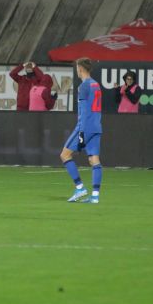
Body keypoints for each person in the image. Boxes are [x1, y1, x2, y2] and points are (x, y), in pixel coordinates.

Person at [60, 57, 103, 204]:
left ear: (80, 69)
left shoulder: (83, 86)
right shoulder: (96, 85)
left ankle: (80, 188)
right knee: (94, 160)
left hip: (85, 128)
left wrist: (81, 136)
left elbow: (84, 112)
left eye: (77, 68)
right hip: (97, 126)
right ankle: (95, 196)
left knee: (65, 155)